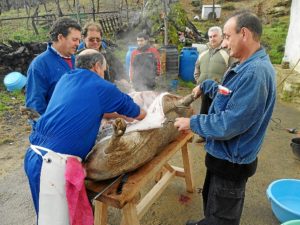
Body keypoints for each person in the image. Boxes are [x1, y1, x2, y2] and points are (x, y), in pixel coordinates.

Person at [174, 11, 276, 225]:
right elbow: (227, 92)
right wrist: (207, 86)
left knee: (222, 217)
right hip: (222, 156)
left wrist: (192, 123)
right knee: (212, 200)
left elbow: (229, 123)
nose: (225, 44)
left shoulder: (255, 73)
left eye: (228, 37)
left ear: (245, 34)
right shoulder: (243, 64)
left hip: (231, 161)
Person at [24, 49, 147, 225]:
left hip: (35, 157)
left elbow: (95, 107)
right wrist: (146, 109)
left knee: (48, 217)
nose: (104, 73)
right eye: (104, 69)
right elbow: (139, 114)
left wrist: (120, 114)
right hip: (52, 165)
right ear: (97, 66)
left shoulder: (66, 79)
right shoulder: (101, 86)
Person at [26, 17, 81, 115]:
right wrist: (45, 128)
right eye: (74, 39)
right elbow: (34, 105)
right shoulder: (40, 65)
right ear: (60, 37)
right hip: (56, 126)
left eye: (79, 40)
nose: (78, 44)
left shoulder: (76, 60)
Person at [194, 26, 234, 115]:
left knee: (216, 115)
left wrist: (224, 87)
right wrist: (198, 80)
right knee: (203, 114)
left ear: (221, 37)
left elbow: (232, 70)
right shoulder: (203, 52)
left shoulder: (228, 51)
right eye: (210, 36)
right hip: (204, 89)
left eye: (215, 36)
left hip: (219, 92)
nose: (212, 39)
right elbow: (197, 66)